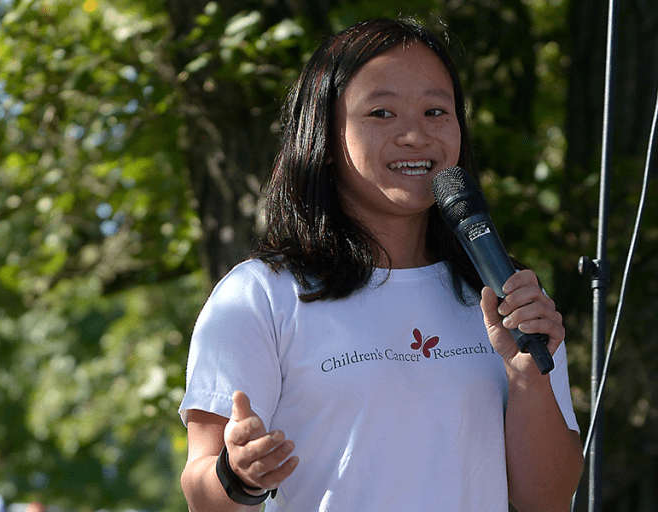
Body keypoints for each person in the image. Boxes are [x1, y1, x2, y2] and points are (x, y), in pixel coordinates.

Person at [179, 17, 584, 512]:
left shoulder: (506, 294)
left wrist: (527, 376)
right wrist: (238, 475)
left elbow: (548, 500)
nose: (415, 134)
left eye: (436, 110)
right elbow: (201, 490)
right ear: (324, 139)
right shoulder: (260, 294)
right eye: (382, 113)